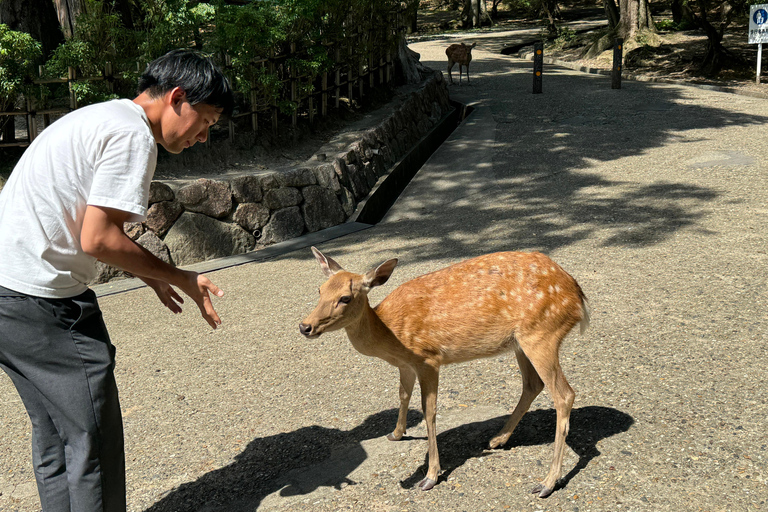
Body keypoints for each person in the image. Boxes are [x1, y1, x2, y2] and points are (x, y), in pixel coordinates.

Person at [0, 49, 234, 511]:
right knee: (94, 445)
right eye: (205, 120)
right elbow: (99, 238)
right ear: (177, 97)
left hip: (7, 295)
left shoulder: (98, 116)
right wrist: (179, 275)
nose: (205, 136)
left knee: (57, 440)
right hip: (42, 302)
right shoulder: (133, 137)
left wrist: (146, 274)